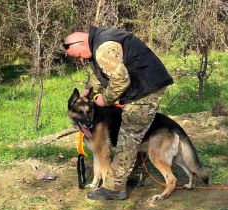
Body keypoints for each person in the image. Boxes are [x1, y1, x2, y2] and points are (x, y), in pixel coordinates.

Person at [63, 26, 173, 200]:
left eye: (78, 55)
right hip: (142, 86)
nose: (81, 61)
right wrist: (89, 90)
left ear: (81, 42)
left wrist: (105, 100)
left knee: (129, 135)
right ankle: (134, 176)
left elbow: (121, 80)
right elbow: (103, 73)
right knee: (134, 133)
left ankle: (115, 187)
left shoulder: (102, 48)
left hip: (145, 87)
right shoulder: (98, 43)